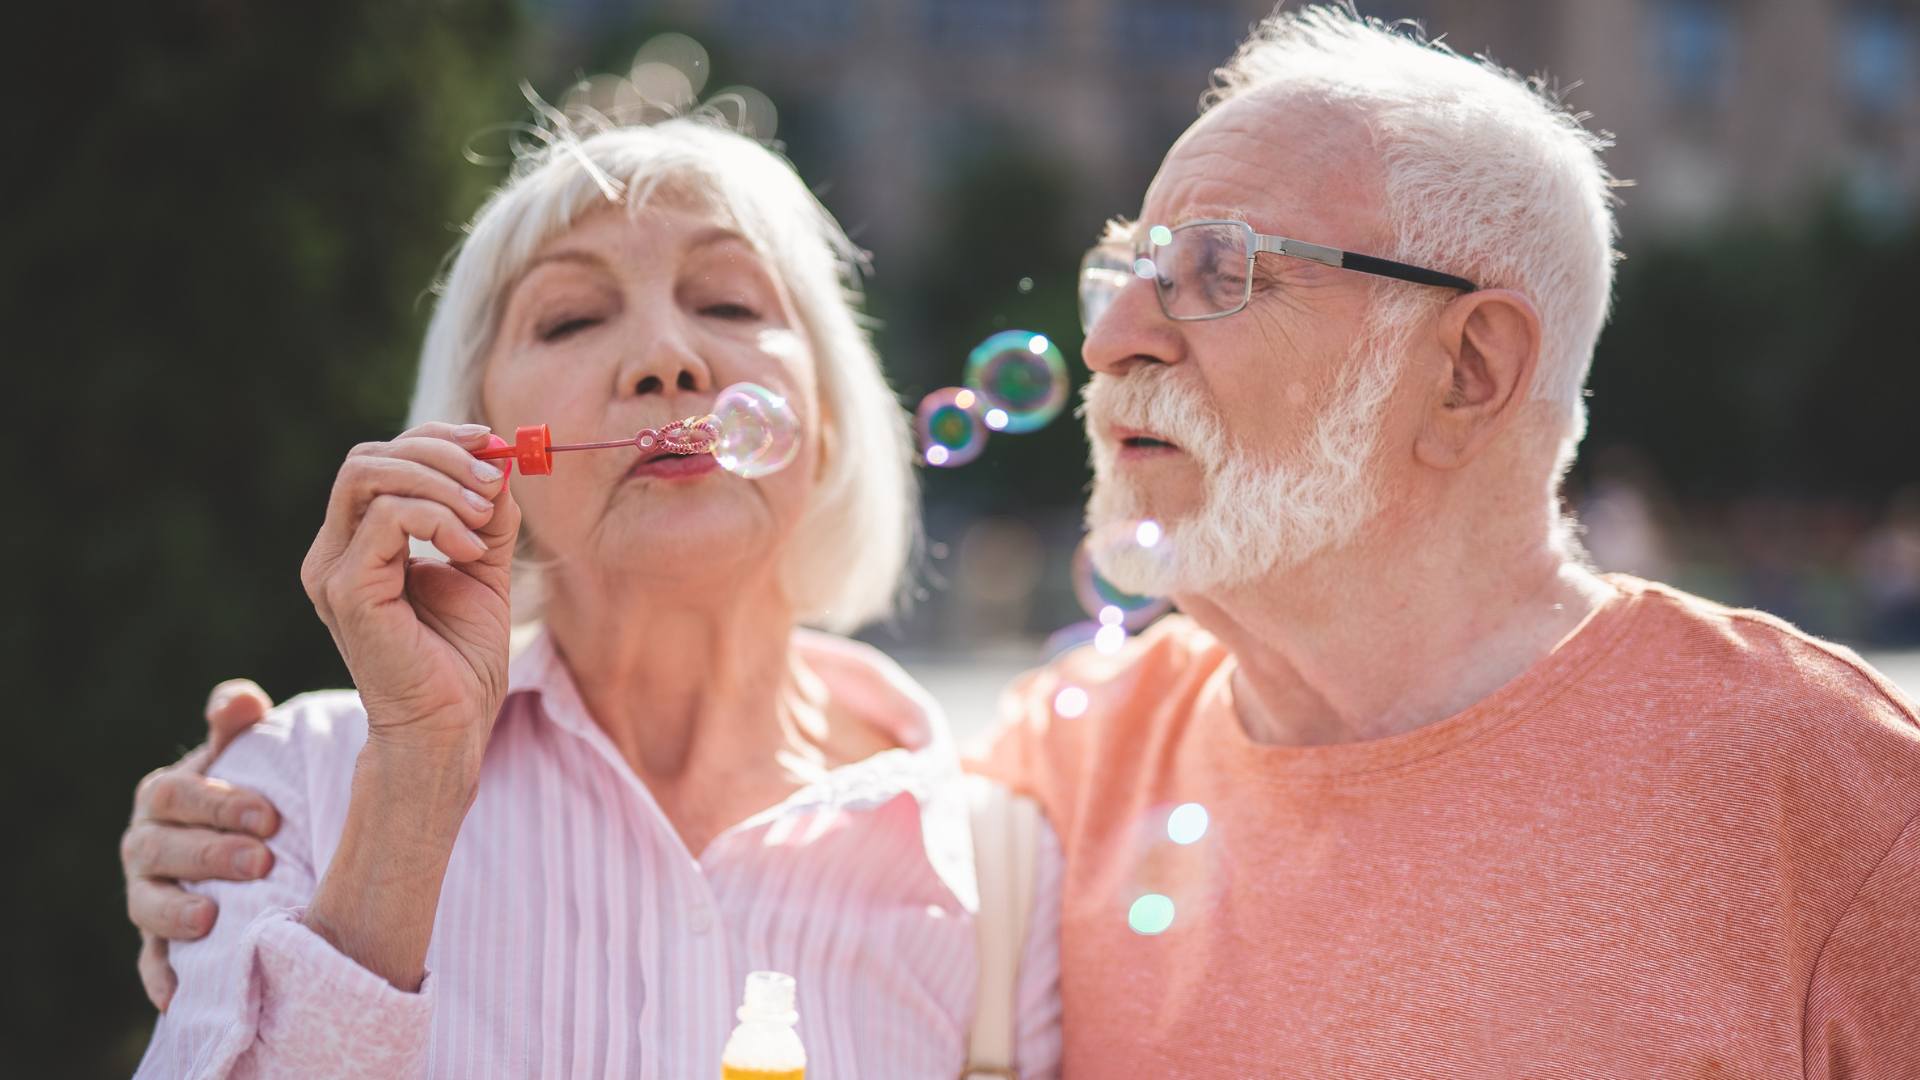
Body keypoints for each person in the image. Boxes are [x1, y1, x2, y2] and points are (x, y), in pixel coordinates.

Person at [127, 7, 1920, 1076]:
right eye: (1126, 272)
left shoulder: (1828, 792)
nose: (1121, 337)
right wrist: (334, 828)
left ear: (1471, 362)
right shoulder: (1053, 783)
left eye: (1219, 273)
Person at [127, 112, 1061, 1078]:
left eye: (731, 304)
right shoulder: (292, 792)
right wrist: (413, 780)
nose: (666, 357)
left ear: (827, 419)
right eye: (571, 318)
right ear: (482, 440)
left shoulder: (1002, 866)